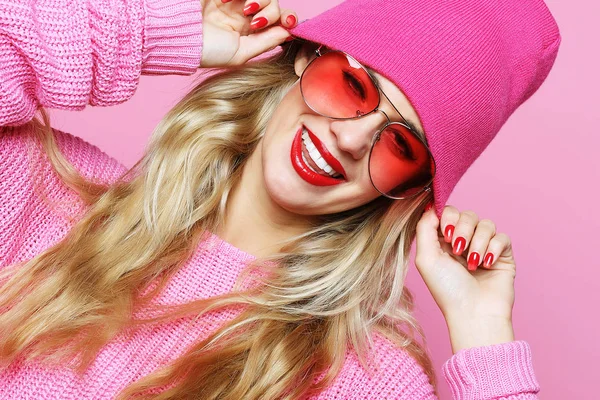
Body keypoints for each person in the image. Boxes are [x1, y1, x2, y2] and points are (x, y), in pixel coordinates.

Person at [0, 0, 560, 398]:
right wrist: (159, 32)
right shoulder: (46, 194)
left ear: (412, 190)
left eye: (399, 145)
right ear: (305, 57)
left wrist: (483, 336)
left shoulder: (362, 378)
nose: (350, 138)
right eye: (352, 86)